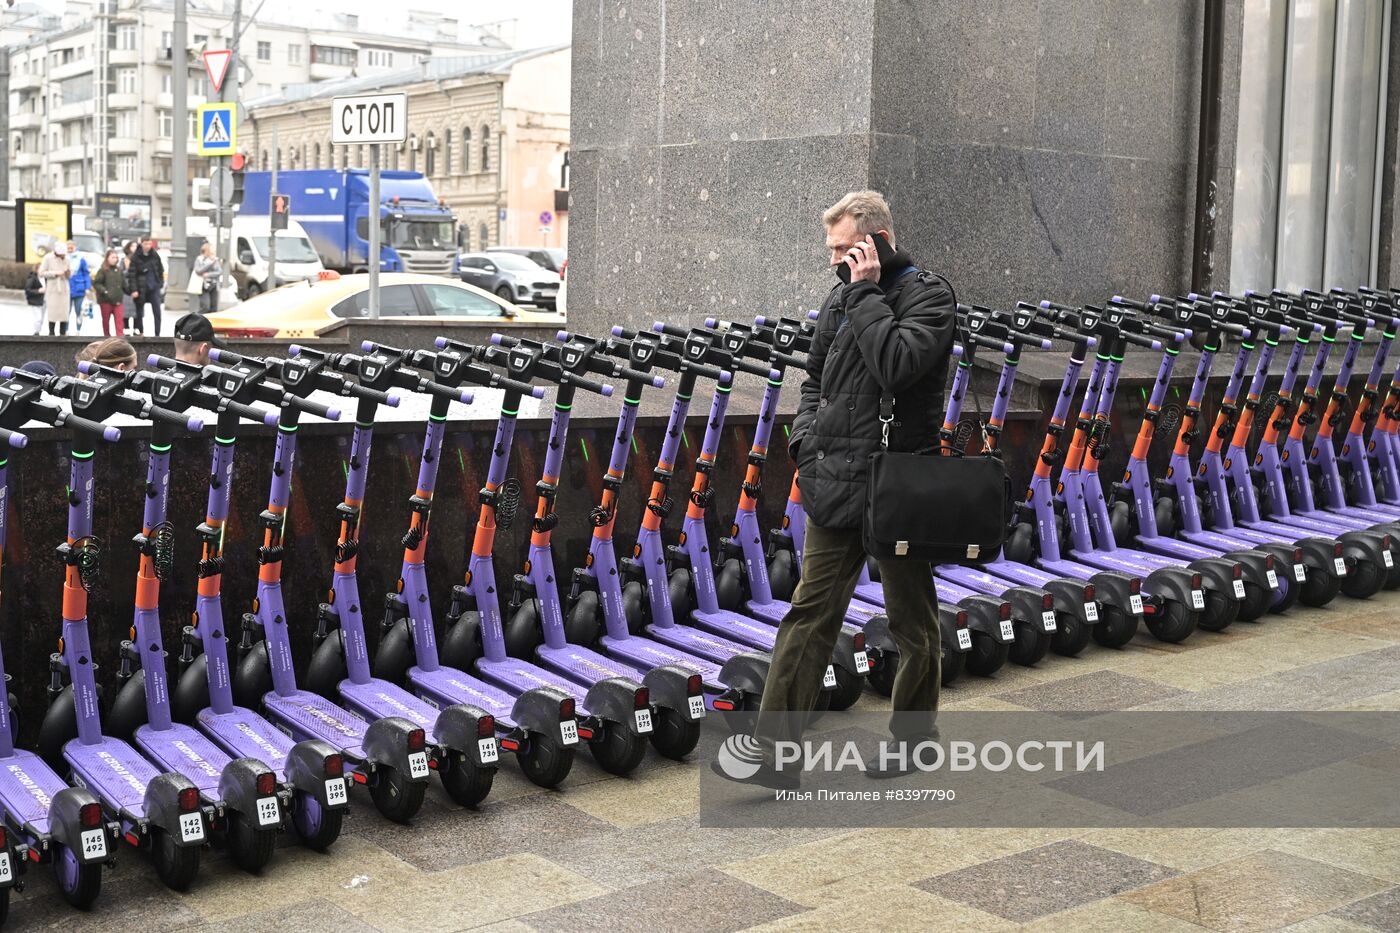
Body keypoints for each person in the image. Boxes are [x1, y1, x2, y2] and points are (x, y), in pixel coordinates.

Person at [742, 191, 955, 786]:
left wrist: (865, 292)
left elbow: (898, 366)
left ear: (875, 241)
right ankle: (775, 757)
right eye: (832, 249)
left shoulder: (929, 296)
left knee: (913, 623)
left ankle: (915, 743)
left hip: (898, 486)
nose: (833, 260)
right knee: (809, 616)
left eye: (843, 248)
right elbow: (814, 378)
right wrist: (806, 440)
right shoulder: (839, 296)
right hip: (835, 481)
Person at [127, 238, 165, 336]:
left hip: (154, 287)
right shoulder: (136, 257)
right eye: (145, 244)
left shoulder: (155, 255)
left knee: (157, 311)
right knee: (139, 311)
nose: (147, 246)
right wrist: (134, 289)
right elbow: (132, 274)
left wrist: (160, 283)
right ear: (142, 244)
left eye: (149, 244)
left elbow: (160, 269)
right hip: (141, 287)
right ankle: (141, 332)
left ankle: (157, 334)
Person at [92, 249, 127, 337]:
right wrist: (104, 291)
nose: (114, 259)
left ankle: (120, 337)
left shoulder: (119, 270)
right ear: (107, 258)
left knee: (119, 320)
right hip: (105, 300)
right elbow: (96, 283)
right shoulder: (102, 270)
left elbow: (124, 284)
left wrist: (133, 290)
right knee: (106, 321)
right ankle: (106, 337)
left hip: (118, 299)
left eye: (116, 257)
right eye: (112, 257)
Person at [39, 243, 71, 336]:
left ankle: (63, 333)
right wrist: (55, 273)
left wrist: (68, 273)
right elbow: (41, 273)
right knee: (52, 313)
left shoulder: (67, 259)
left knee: (64, 313)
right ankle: (51, 333)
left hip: (64, 288)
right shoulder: (48, 258)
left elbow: (70, 273)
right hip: (53, 288)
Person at [66, 240, 92, 334]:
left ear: (75, 247)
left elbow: (86, 274)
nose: (70, 248)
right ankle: (66, 330)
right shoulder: (63, 258)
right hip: (66, 289)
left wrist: (87, 287)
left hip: (79, 288)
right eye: (68, 246)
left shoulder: (81, 259)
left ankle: (78, 330)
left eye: (71, 246)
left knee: (79, 311)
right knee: (66, 312)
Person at [193, 241, 222, 313]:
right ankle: (197, 321)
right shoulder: (199, 259)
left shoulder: (215, 259)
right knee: (205, 307)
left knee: (213, 308)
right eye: (211, 248)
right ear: (207, 250)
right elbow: (198, 271)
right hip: (203, 286)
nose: (213, 250)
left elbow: (219, 272)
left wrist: (208, 275)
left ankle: (211, 323)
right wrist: (210, 264)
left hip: (214, 285)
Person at [121, 240, 140, 332]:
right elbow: (121, 274)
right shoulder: (123, 260)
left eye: (136, 246)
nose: (134, 248)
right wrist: (128, 269)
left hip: (137, 288)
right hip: (126, 289)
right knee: (126, 312)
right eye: (132, 246)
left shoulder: (140, 259)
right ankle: (126, 330)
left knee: (137, 311)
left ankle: (137, 330)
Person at [24, 262, 45, 335]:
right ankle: (36, 333)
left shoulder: (45, 278)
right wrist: (38, 291)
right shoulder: (32, 277)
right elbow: (28, 290)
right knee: (38, 318)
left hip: (44, 300)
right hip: (35, 300)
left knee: (41, 318)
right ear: (37, 269)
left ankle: (38, 331)